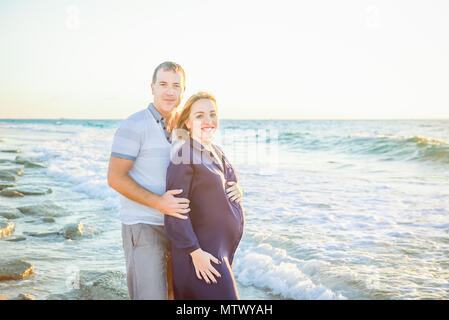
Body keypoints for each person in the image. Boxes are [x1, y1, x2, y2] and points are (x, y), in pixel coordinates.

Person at [107, 62, 243, 300]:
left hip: (181, 228)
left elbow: (206, 163)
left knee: (174, 296)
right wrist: (158, 203)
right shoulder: (134, 125)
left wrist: (233, 187)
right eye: (163, 84)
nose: (170, 91)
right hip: (144, 224)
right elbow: (115, 177)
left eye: (176, 86)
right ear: (152, 87)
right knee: (151, 295)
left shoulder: (183, 127)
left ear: (183, 90)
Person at [165, 92, 244, 300]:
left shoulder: (217, 150)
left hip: (220, 252)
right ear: (188, 123)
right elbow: (175, 212)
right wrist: (195, 252)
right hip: (200, 256)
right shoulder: (184, 155)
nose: (208, 121)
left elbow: (229, 180)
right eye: (200, 115)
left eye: (212, 114)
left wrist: (239, 189)